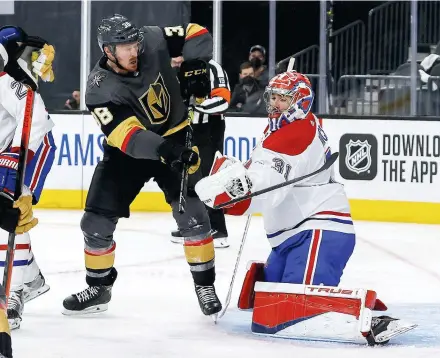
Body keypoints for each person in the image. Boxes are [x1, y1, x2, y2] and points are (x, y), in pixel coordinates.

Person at [195, 71, 416, 344]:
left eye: (283, 99)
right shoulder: (286, 127)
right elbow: (261, 173)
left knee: (291, 315)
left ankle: (370, 322)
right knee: (268, 310)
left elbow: (267, 192)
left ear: (300, 102)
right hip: (293, 235)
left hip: (318, 232)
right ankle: (360, 312)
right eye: (273, 97)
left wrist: (231, 200)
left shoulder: (294, 134)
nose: (275, 104)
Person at [61, 15, 222, 317]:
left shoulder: (151, 37)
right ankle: (98, 288)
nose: (133, 51)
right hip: (128, 153)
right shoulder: (99, 89)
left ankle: (205, 285)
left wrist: (195, 63)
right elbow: (129, 137)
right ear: (108, 51)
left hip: (174, 132)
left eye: (134, 43)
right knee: (95, 222)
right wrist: (168, 151)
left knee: (194, 215)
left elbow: (197, 32)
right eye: (124, 47)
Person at [0, 26, 56, 332]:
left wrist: (17, 161)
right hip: (5, 147)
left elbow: (35, 121)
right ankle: (31, 278)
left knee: (12, 212)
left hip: (31, 146)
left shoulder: (7, 84)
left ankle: (13, 292)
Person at [169, 39, 232, 248]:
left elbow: (223, 101)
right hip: (186, 128)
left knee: (208, 176)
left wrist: (196, 106)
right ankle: (194, 224)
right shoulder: (181, 69)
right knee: (186, 176)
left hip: (209, 130)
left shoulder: (214, 69)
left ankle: (218, 229)